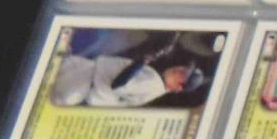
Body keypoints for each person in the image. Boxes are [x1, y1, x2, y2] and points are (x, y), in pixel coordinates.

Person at [51, 43, 206, 108]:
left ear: (178, 88)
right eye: (183, 68)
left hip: (82, 82)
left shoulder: (153, 82)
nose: (178, 69)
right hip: (85, 79)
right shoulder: (155, 85)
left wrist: (142, 62)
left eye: (182, 74)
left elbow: (118, 84)